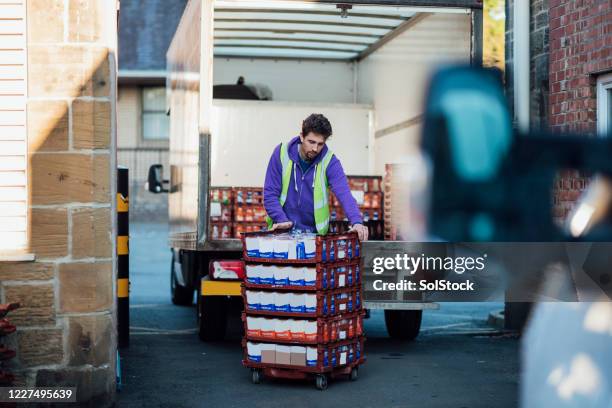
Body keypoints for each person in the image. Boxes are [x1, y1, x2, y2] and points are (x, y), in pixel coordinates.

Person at [264, 113, 369, 241]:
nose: (315, 148)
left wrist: (356, 221)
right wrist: (281, 220)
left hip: (315, 238)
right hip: (282, 234)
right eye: (311, 142)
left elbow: (344, 193)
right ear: (302, 136)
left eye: (320, 144)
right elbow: (270, 194)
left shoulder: (329, 161)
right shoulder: (281, 154)